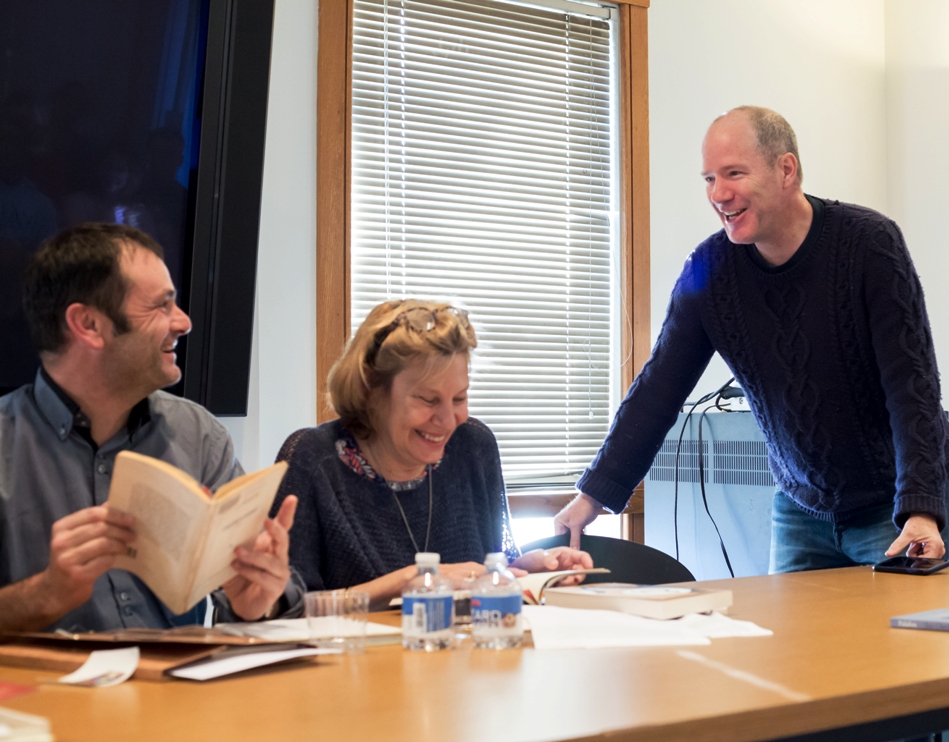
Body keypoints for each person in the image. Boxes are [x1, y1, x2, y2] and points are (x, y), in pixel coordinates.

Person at [555, 107, 949, 742]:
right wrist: (594, 495)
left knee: (910, 699)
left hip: (892, 508)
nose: (719, 192)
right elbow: (658, 390)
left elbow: (913, 388)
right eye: (709, 177)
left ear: (786, 169)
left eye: (734, 173)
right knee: (805, 695)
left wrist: (922, 510)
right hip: (800, 507)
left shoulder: (868, 246)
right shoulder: (713, 272)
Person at [0, 223, 303, 633]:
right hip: (46, 695)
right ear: (89, 325)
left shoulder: (199, 435)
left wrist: (256, 602)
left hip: (182, 689)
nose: (184, 322)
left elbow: (269, 598)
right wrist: (44, 595)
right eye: (161, 306)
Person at [275, 299, 592, 608]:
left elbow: (490, 569)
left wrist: (531, 572)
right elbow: (290, 607)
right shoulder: (313, 461)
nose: (446, 420)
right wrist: (410, 581)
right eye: (428, 399)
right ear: (369, 390)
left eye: (459, 398)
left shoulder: (473, 446)